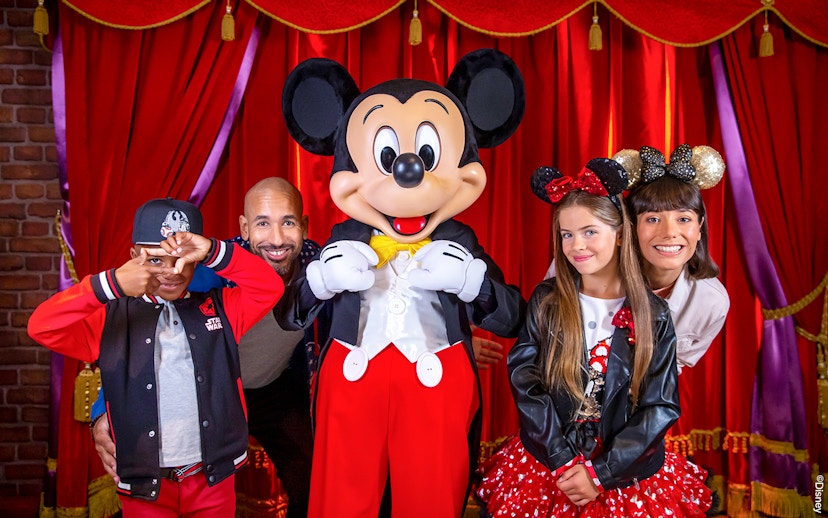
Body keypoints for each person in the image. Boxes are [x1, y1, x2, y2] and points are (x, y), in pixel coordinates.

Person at [475, 159, 712, 517]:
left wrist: (600, 473)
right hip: (550, 461)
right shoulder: (547, 299)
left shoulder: (653, 314)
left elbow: (660, 406)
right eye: (566, 234)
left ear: (620, 234)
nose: (576, 246)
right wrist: (561, 458)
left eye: (589, 232)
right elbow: (527, 382)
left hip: (623, 471)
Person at [28, 198, 283, 516]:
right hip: (146, 486)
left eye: (182, 259)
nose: (171, 272)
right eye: (156, 260)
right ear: (134, 257)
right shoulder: (110, 318)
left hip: (212, 480)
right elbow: (42, 326)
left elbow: (270, 287)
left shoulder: (222, 308)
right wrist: (112, 284)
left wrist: (213, 250)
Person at [91, 178, 320, 518]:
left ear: (302, 225)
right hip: (210, 392)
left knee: (311, 477)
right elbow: (134, 337)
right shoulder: (199, 270)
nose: (276, 239)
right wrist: (100, 412)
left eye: (287, 222)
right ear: (244, 227)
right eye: (262, 223)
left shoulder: (323, 267)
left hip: (277, 386)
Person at [619, 144, 729, 373]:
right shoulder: (592, 271)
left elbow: (672, 369)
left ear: (699, 228)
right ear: (632, 227)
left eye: (683, 219)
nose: (669, 233)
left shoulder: (711, 302)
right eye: (652, 219)